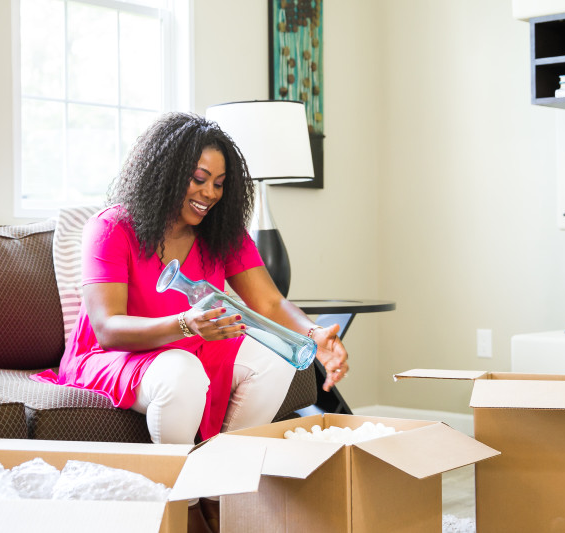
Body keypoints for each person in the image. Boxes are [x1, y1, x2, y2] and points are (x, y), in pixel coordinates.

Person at [33, 112, 348, 532]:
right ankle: (183, 503)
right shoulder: (112, 228)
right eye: (199, 178)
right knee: (183, 374)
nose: (209, 193)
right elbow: (108, 327)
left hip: (193, 342)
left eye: (219, 184)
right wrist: (184, 324)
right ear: (167, 173)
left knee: (275, 360)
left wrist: (314, 335)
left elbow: (270, 302)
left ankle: (218, 495)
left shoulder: (221, 233)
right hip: (120, 352)